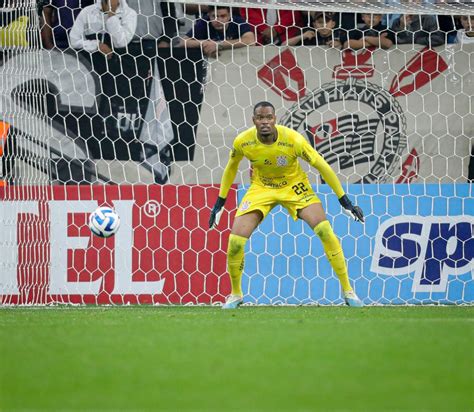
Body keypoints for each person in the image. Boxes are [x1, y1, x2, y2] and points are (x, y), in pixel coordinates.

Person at [209, 102, 365, 309]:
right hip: (261, 188)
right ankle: (236, 294)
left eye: (269, 118)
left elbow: (322, 166)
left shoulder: (293, 140)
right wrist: (220, 202)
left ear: (275, 119)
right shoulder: (243, 142)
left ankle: (348, 291)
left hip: (294, 186)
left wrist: (345, 201)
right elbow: (231, 167)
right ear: (253, 120)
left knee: (325, 231)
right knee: (236, 242)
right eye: (260, 118)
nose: (265, 122)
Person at [69, 0, 137, 57]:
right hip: (91, 63)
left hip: (119, 64)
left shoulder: (130, 14)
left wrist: (111, 15)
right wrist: (96, 45)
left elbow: (121, 43)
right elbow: (74, 41)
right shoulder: (86, 12)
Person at [180, 6, 255, 58]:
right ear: (209, 15)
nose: (218, 20)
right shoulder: (204, 22)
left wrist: (218, 45)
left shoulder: (238, 21)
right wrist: (205, 43)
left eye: (223, 16)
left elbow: (250, 41)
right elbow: (183, 42)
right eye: (214, 16)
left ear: (229, 16)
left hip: (236, 58)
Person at [240, 8, 305, 45]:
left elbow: (293, 14)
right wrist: (264, 29)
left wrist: (276, 29)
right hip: (259, 38)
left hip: (287, 38)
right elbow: (248, 12)